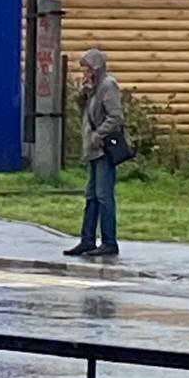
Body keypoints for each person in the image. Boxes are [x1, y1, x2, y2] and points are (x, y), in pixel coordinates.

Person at [63, 48, 124, 258]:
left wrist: (99, 134)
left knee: (104, 196)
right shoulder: (93, 89)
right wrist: (85, 93)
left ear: (96, 68)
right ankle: (87, 240)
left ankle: (109, 241)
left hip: (104, 149)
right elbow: (85, 112)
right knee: (91, 196)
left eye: (87, 69)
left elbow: (115, 116)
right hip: (93, 150)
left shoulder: (108, 86)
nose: (85, 73)